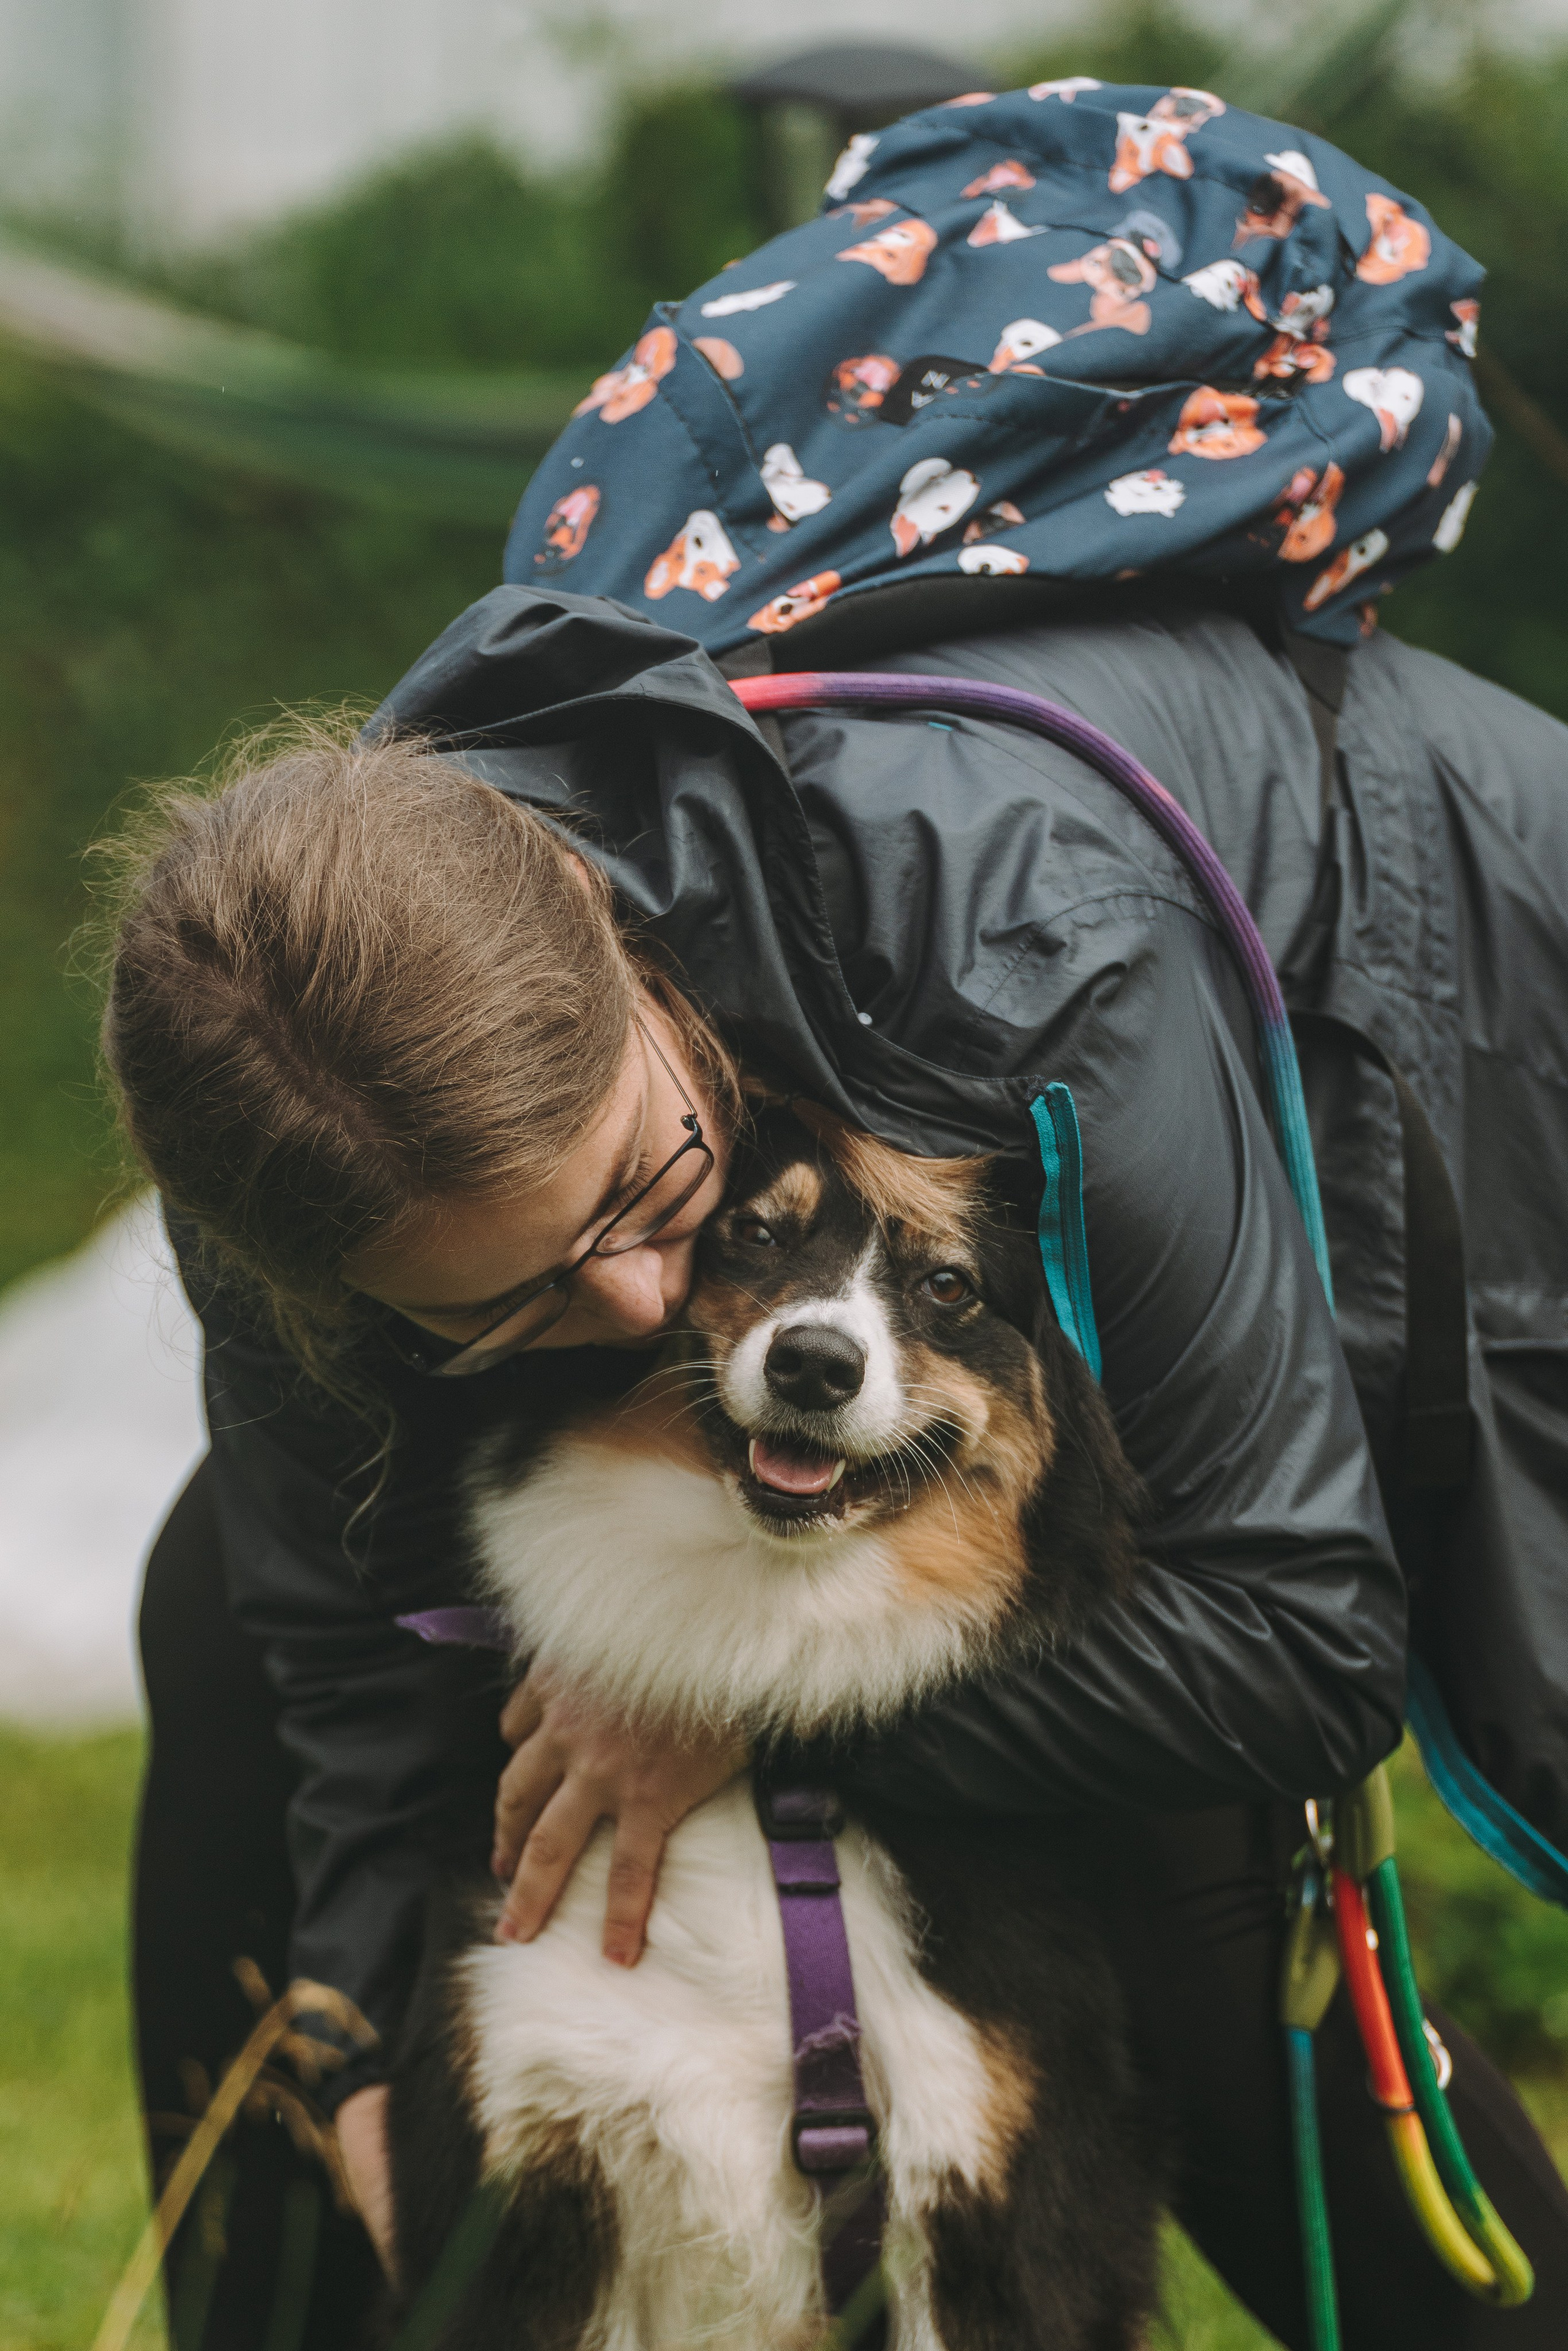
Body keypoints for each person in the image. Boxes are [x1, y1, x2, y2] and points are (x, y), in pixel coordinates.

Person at [108, 79, 1568, 2351]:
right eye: (495, 1314)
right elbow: (335, 1642)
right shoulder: (283, 1098)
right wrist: (360, 2028)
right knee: (222, 1595)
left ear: (642, 981)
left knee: (1151, 1812)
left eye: (645, 1199)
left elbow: (1294, 1634)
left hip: (1434, 1016)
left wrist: (755, 1717)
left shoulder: (1021, 944)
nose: (627, 1305)